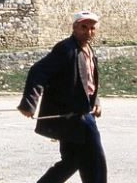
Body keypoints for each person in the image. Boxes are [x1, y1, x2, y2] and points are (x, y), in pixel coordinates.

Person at [18, 10, 107, 183]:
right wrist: (29, 104)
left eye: (92, 28)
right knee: (95, 160)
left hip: (83, 113)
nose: (88, 32)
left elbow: (88, 83)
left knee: (73, 160)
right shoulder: (66, 49)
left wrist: (96, 100)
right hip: (73, 116)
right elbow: (38, 71)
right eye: (84, 27)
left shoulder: (89, 50)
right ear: (74, 27)